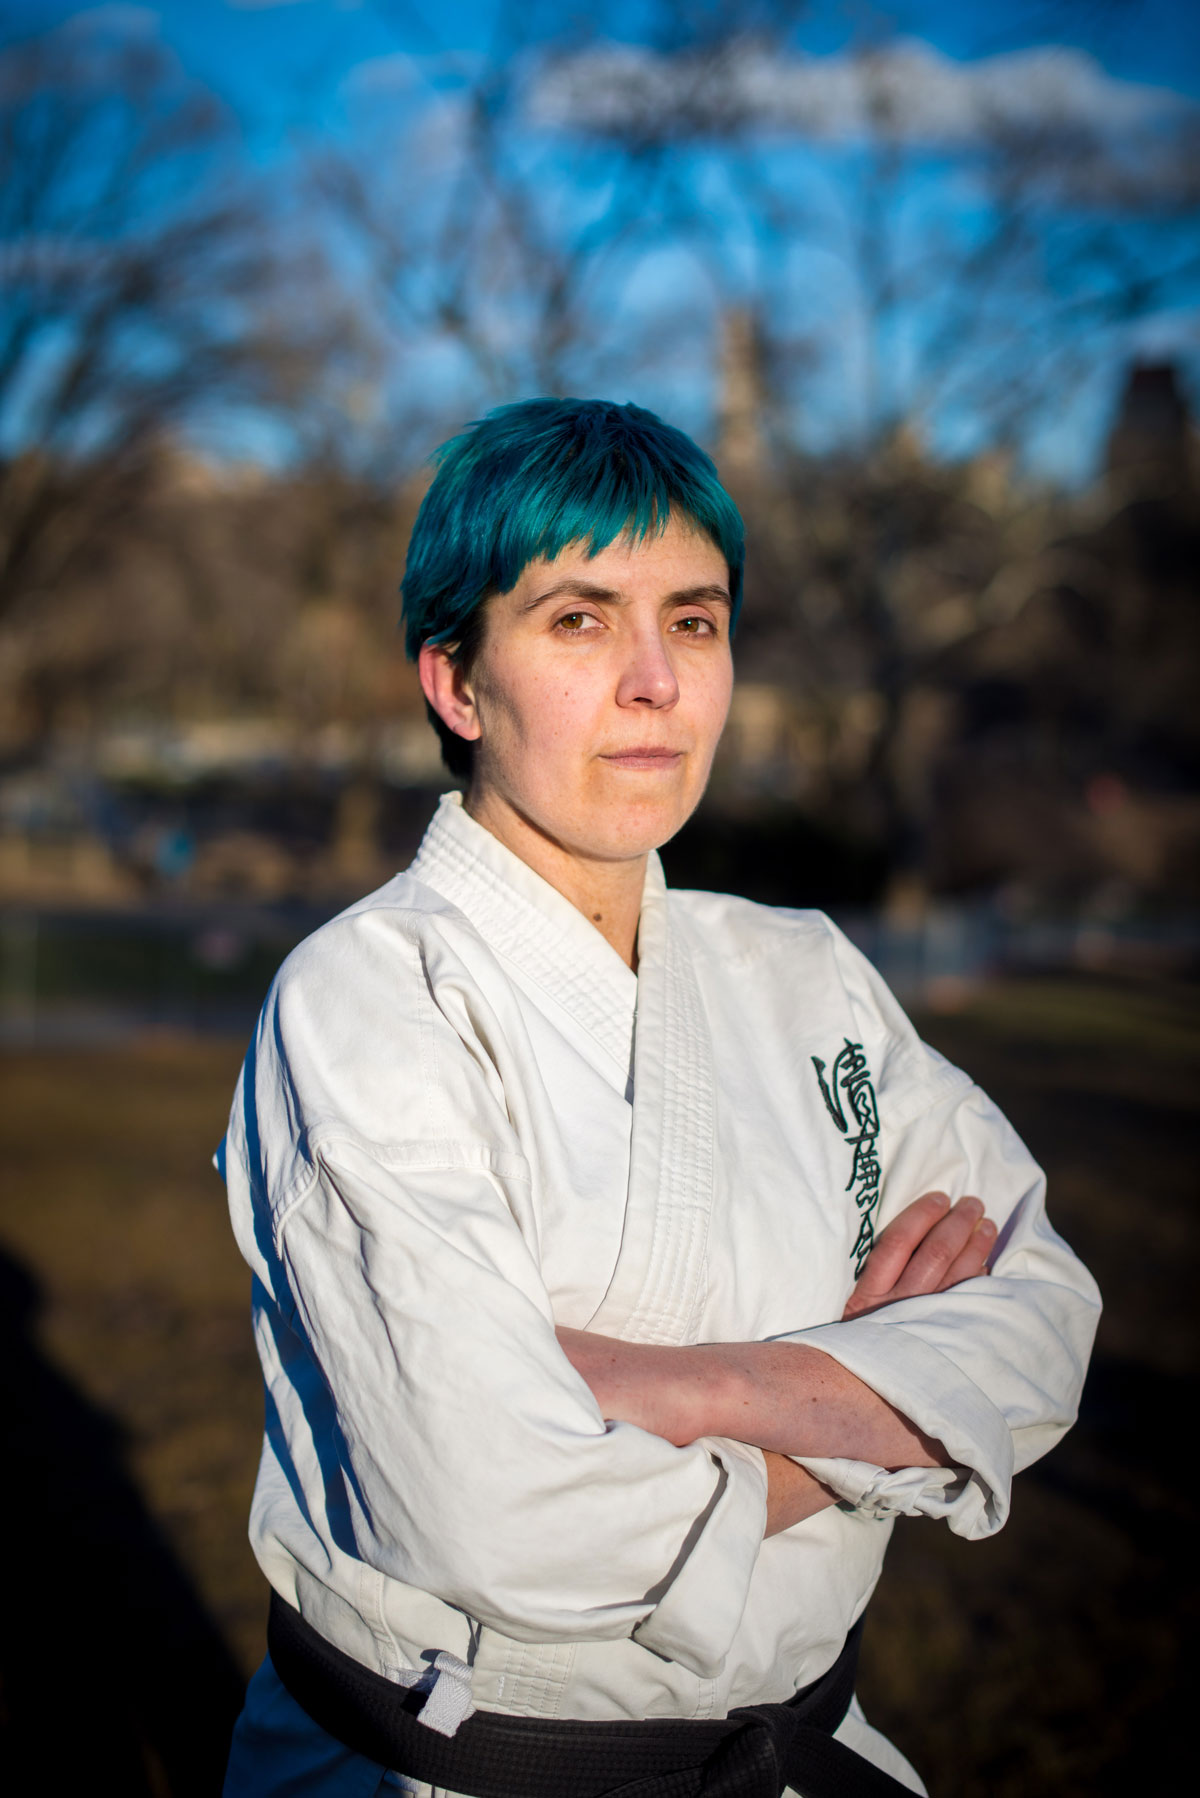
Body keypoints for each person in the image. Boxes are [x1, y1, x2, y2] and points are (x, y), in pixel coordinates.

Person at [220, 398, 1100, 1798]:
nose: (656, 682)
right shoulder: (368, 1001)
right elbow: (500, 1509)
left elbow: (1045, 1313)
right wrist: (881, 1399)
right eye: (580, 619)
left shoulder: (806, 972)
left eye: (692, 620)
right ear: (456, 679)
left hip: (805, 1751)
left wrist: (693, 1388)